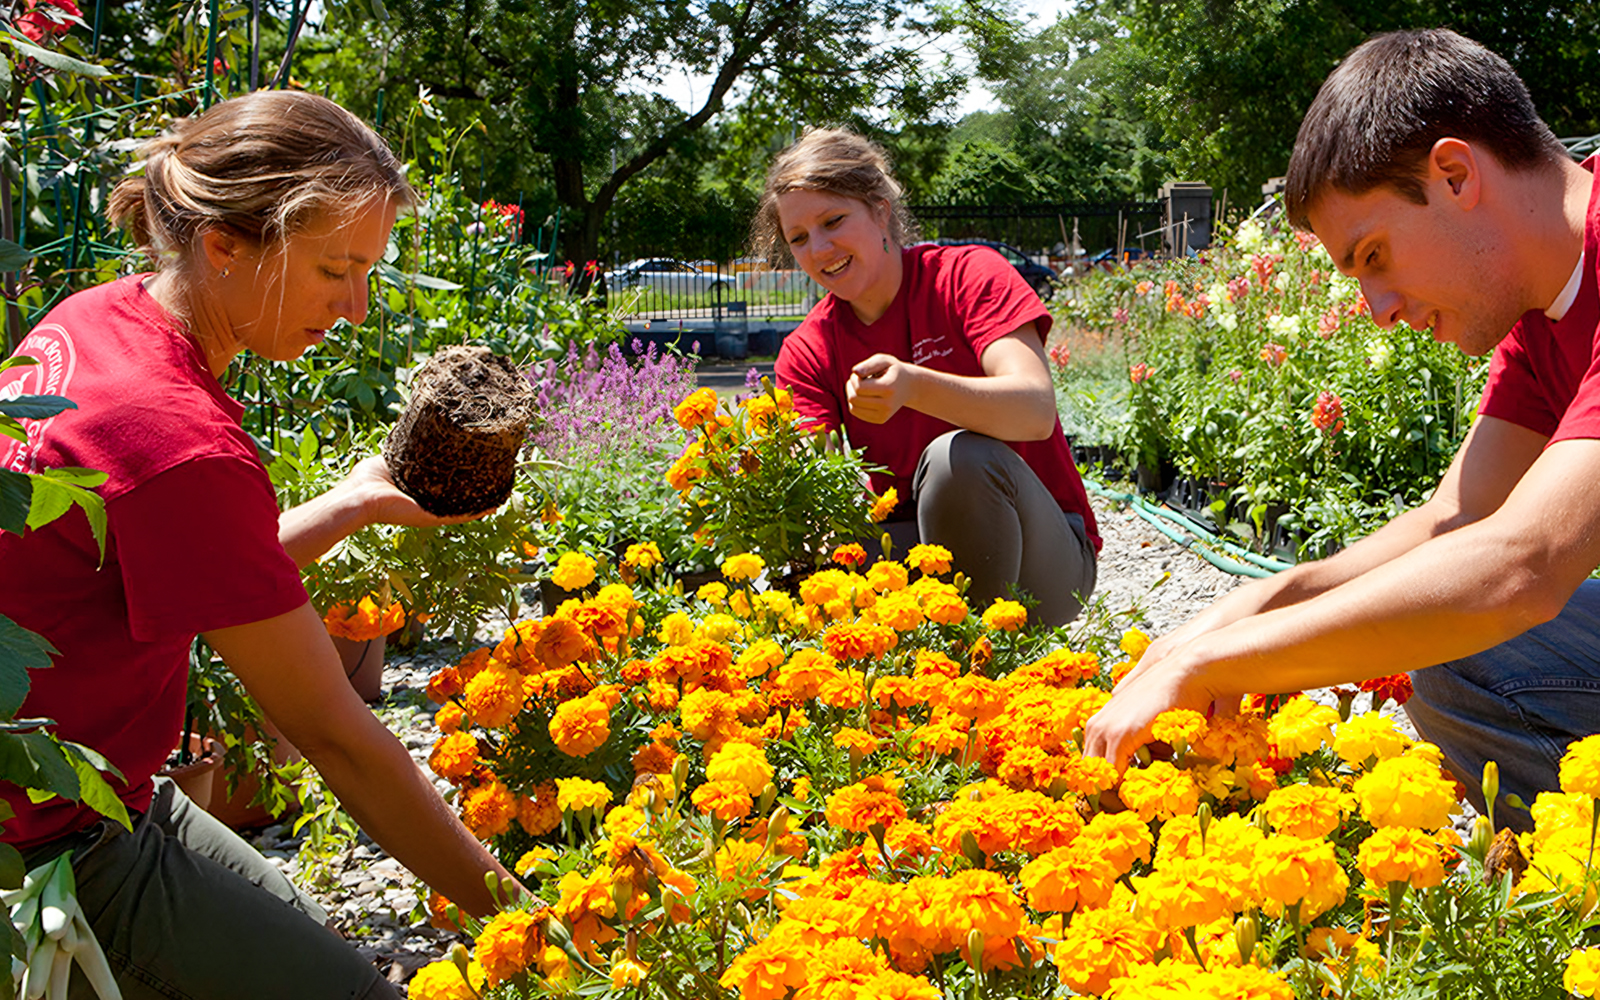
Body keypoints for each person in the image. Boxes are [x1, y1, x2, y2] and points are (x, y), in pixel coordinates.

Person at [0, 91, 518, 998]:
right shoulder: (175, 438)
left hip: (91, 786)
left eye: (368, 273)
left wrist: (353, 504)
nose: (356, 309)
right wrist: (526, 919)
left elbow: (176, 564)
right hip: (42, 841)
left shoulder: (101, 317)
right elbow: (336, 734)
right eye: (334, 271)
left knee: (282, 905)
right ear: (224, 245)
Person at [1083, 28, 1598, 833]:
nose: (1381, 312)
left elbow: (1520, 567)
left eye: (1375, 254)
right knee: (1458, 651)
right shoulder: (1542, 310)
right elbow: (1453, 520)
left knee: (1472, 630)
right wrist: (1262, 598)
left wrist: (1212, 662)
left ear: (1456, 174)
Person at [758, 128, 1099, 625]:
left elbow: (1034, 410)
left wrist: (914, 387)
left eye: (833, 220)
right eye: (799, 238)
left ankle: (974, 664)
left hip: (1043, 562)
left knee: (956, 458)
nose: (820, 248)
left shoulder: (966, 277)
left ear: (880, 211)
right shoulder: (808, 350)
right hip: (907, 560)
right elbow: (822, 502)